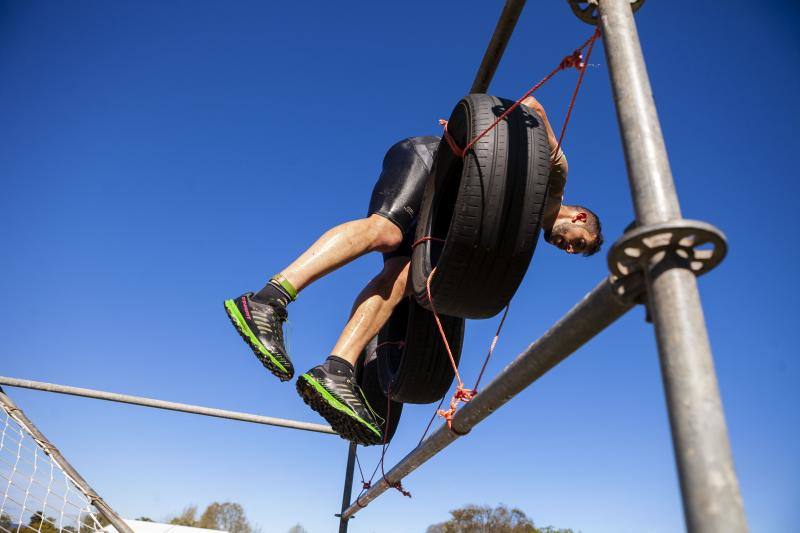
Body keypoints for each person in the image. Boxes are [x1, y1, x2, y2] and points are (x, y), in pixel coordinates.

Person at [223, 95, 603, 445]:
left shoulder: (518, 224)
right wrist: (477, 131)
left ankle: (336, 369)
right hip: (429, 160)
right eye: (577, 240)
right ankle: (267, 299)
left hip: (437, 210)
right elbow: (531, 107)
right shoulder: (555, 179)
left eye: (574, 251)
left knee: (401, 278)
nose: (568, 248)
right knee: (385, 231)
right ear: (580, 216)